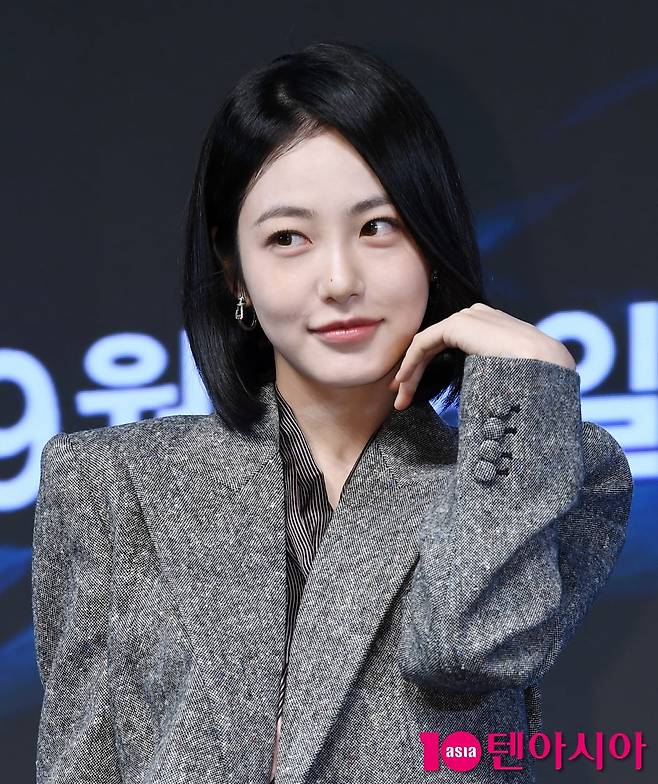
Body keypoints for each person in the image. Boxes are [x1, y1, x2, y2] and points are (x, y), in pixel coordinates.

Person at [32, 40, 633, 784]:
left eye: (378, 226)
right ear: (233, 268)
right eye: (288, 238)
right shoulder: (112, 484)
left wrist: (528, 384)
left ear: (430, 241)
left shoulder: (554, 473)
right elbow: (80, 762)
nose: (341, 279)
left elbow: (469, 647)